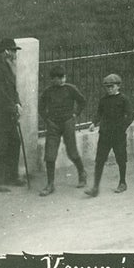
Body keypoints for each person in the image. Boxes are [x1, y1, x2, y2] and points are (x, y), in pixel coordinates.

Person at [38, 66, 87, 196]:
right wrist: (47, 119)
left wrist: (75, 114)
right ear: (53, 79)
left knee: (72, 151)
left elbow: (82, 101)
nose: (62, 80)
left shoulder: (70, 89)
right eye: (59, 78)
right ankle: (50, 184)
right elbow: (41, 107)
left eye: (63, 77)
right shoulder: (48, 92)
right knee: (50, 154)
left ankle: (82, 173)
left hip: (67, 123)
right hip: (53, 124)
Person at [85, 74, 134, 197]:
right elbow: (99, 113)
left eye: (111, 87)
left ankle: (122, 182)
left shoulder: (123, 99)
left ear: (118, 86)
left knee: (121, 159)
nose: (109, 89)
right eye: (107, 87)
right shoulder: (104, 100)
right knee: (100, 160)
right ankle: (95, 187)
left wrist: (122, 127)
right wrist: (93, 123)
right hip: (105, 134)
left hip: (118, 135)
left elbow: (131, 115)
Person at [0, 38, 24, 192]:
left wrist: (18, 103)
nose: (15, 54)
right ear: (6, 52)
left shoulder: (9, 66)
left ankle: (12, 176)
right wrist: (13, 107)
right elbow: (0, 94)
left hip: (9, 111)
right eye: (14, 51)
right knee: (0, 146)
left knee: (15, 142)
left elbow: (12, 89)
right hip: (0, 113)